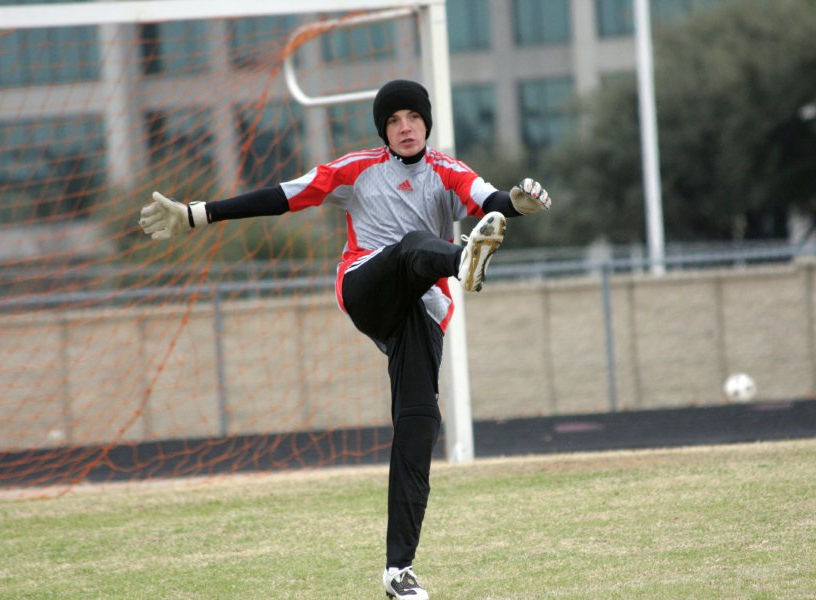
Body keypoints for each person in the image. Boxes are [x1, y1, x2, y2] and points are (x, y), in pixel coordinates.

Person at [139, 79, 550, 599]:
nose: (405, 126)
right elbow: (284, 196)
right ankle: (462, 259)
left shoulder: (448, 171)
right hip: (367, 289)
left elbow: (488, 199)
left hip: (420, 314)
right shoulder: (356, 170)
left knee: (419, 425)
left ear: (426, 123)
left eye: (414, 117)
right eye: (395, 119)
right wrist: (199, 213)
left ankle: (398, 571)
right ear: (384, 129)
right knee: (410, 248)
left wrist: (516, 203)